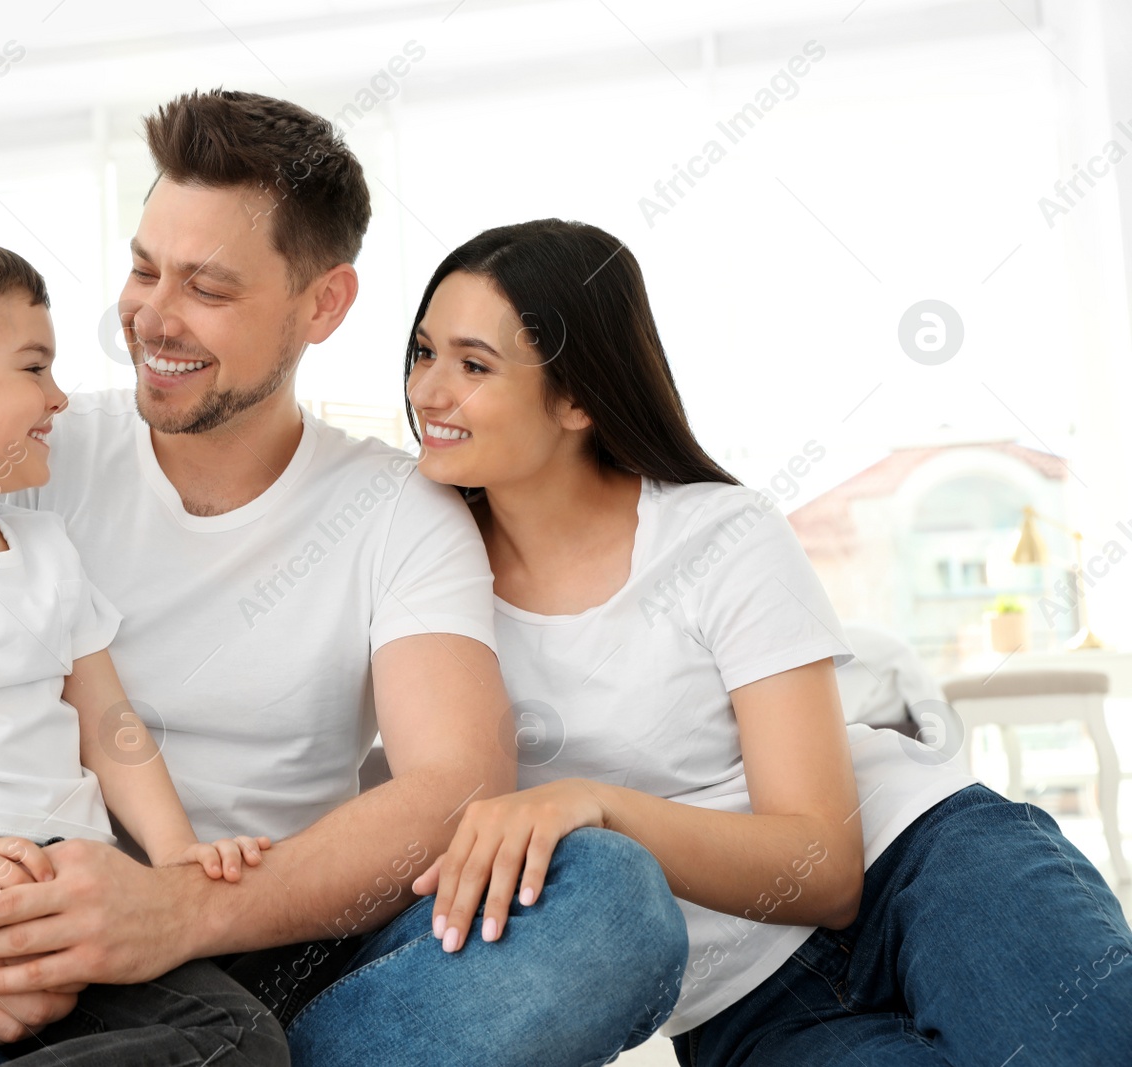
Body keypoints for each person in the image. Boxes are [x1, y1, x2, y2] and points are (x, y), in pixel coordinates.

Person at [0, 93, 686, 1066]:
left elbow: (452, 783)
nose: (152, 314)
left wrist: (179, 909)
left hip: (272, 956)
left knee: (607, 903)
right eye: (145, 267)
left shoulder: (396, 510)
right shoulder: (19, 457)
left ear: (322, 304)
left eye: (206, 285)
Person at [350, 216, 1132, 1066]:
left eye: (473, 364)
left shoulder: (719, 533)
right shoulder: (422, 590)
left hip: (918, 863)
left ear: (577, 396)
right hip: (748, 1008)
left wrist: (599, 804)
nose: (428, 391)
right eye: (423, 353)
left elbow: (826, 868)